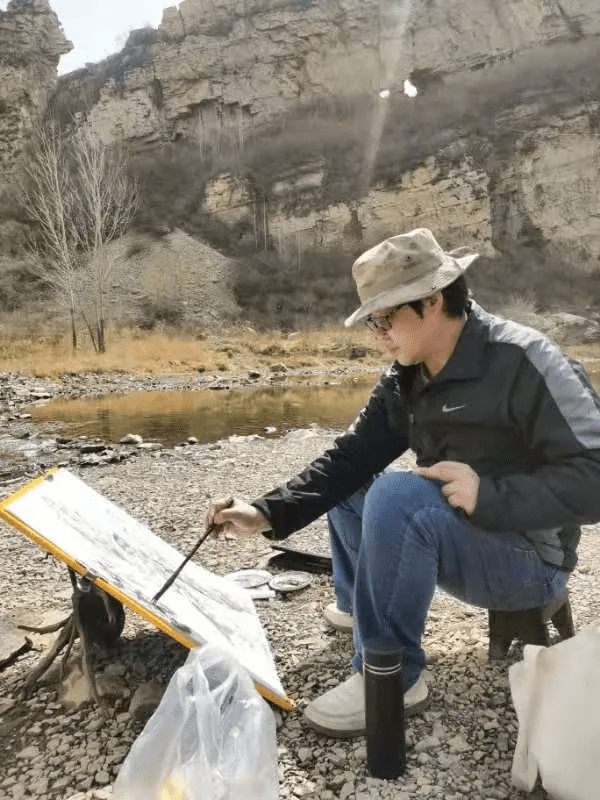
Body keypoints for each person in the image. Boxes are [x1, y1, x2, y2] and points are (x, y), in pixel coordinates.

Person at [207, 228, 600, 737]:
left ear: (433, 300)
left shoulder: (526, 359)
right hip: (462, 535)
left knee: (399, 495)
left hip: (528, 561)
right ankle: (362, 609)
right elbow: (349, 458)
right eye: (372, 321)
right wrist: (265, 511)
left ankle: (391, 676)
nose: (379, 333)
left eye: (386, 318)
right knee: (356, 483)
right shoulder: (407, 376)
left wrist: (492, 496)